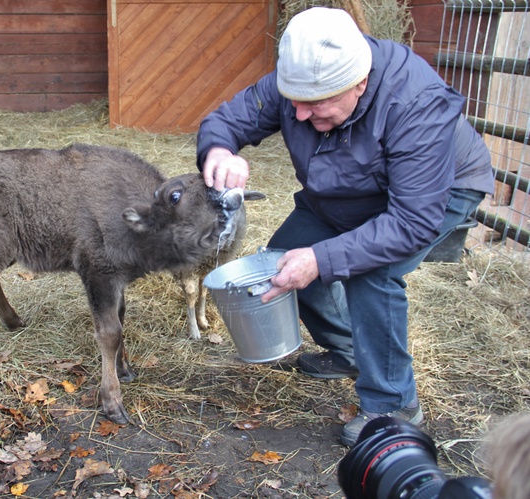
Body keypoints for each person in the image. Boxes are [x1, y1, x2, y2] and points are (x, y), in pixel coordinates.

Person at [196, 7, 495, 446]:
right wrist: (219, 150)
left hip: (437, 190)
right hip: (348, 189)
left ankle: (394, 405)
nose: (297, 115)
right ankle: (352, 349)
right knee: (283, 261)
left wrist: (323, 257)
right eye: (293, 101)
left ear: (359, 82)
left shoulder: (415, 103)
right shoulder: (301, 81)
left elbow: (411, 221)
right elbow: (228, 119)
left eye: (316, 105)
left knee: (369, 270)